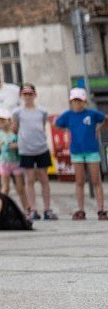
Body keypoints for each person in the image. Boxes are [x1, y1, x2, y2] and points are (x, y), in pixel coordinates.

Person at [54, 87, 105, 220]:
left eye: (80, 101)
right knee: (79, 181)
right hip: (77, 152)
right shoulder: (68, 115)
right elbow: (56, 123)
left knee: (96, 180)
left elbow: (104, 119)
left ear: (84, 101)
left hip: (92, 151)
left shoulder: (92, 114)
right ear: (71, 102)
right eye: (74, 101)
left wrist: (98, 128)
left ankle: (101, 210)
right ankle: (81, 210)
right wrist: (66, 130)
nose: (77, 104)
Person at [10, 85, 56, 220]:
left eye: (30, 94)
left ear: (35, 95)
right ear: (21, 96)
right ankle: (33, 209)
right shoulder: (17, 112)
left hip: (41, 148)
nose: (28, 97)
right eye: (25, 94)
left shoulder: (42, 111)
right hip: (25, 149)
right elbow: (15, 128)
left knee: (44, 179)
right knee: (29, 179)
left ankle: (47, 209)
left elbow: (42, 125)